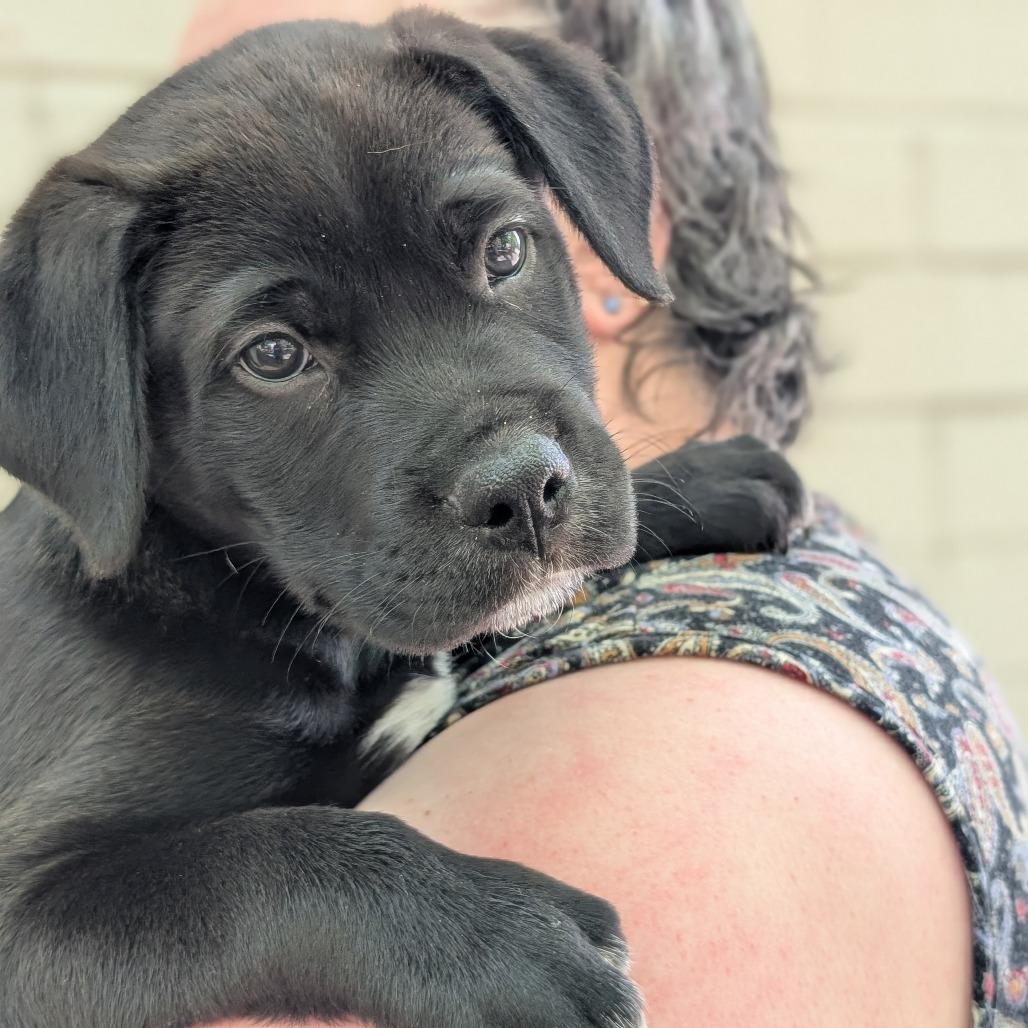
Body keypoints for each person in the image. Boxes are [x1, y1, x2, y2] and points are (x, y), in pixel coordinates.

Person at [180, 1, 1027, 1025]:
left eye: (494, 250)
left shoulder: (658, 763)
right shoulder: (791, 586)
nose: (229, 118)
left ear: (594, 223)